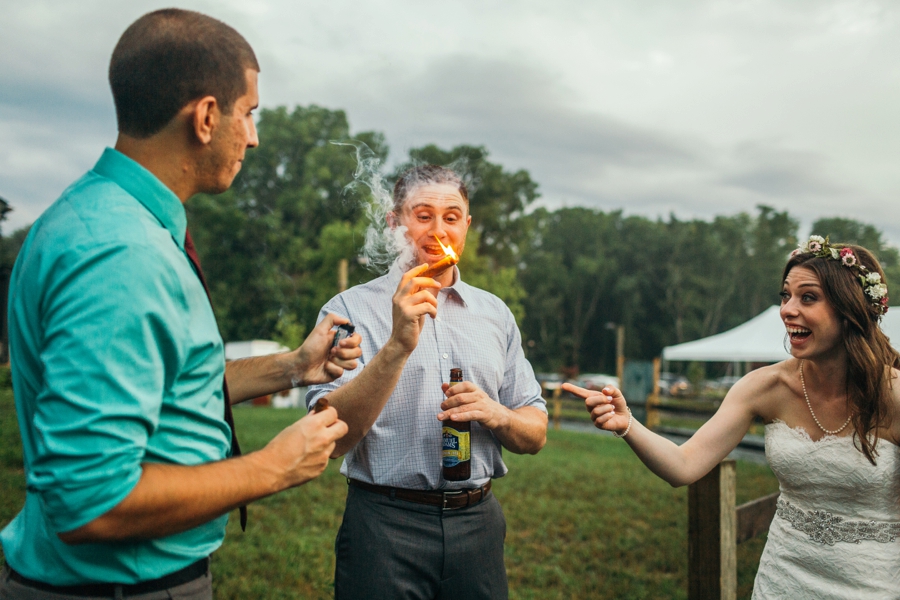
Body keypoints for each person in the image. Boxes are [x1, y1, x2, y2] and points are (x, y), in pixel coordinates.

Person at [0, 9, 360, 599]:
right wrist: (272, 467)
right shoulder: (120, 255)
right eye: (249, 114)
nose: (253, 135)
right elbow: (92, 502)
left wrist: (292, 366)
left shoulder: (101, 214)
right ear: (207, 115)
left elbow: (158, 384)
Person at [564, 235, 900, 599]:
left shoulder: (894, 396)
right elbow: (684, 465)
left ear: (850, 310)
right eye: (785, 296)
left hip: (872, 585)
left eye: (808, 297)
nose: (787, 310)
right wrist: (627, 424)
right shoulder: (764, 386)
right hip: (783, 582)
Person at [307, 164, 548, 599]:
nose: (439, 229)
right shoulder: (349, 310)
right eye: (423, 215)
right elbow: (330, 438)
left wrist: (497, 414)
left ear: (467, 225)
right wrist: (398, 344)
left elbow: (535, 434)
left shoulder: (495, 314)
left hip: (478, 526)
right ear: (395, 222)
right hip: (384, 526)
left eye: (452, 217)